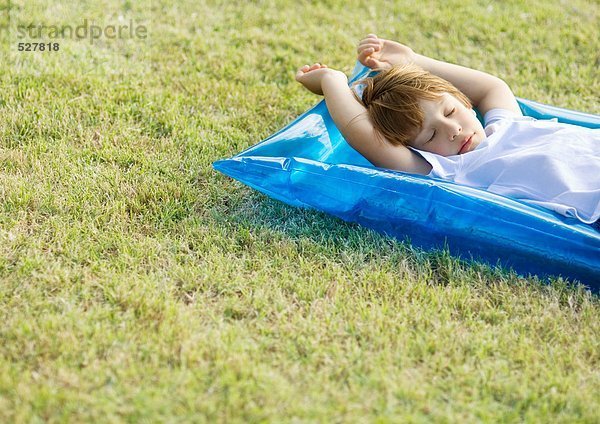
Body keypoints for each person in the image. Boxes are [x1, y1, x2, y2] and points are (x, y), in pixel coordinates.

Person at [295, 34, 600, 226]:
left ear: (464, 101)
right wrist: (331, 80)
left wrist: (413, 61)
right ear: (415, 149)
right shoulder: (449, 169)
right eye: (431, 135)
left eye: (451, 111)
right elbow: (364, 135)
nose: (452, 130)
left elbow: (491, 86)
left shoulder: (507, 123)